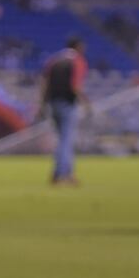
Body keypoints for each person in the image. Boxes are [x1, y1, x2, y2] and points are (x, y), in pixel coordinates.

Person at [40, 36, 90, 185]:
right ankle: (63, 174)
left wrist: (42, 104)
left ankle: (60, 172)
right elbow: (75, 86)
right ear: (78, 47)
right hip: (68, 104)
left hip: (53, 103)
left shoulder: (54, 60)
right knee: (67, 140)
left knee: (62, 139)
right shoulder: (77, 61)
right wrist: (86, 103)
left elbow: (44, 83)